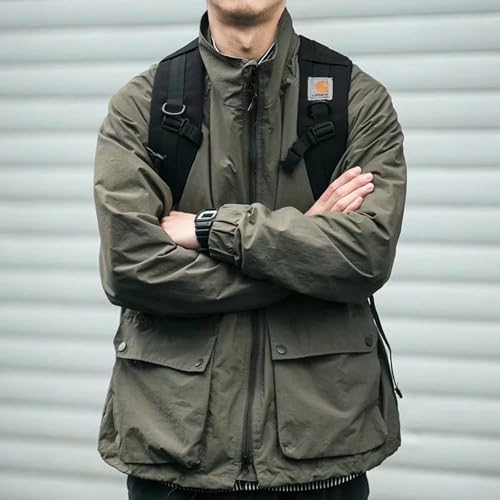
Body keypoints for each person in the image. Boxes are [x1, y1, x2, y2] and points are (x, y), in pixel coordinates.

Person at [93, 1, 407, 499]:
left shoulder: (355, 99)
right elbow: (130, 267)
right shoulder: (143, 105)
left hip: (321, 457)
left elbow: (365, 255)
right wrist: (304, 248)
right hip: (175, 458)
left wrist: (212, 228)